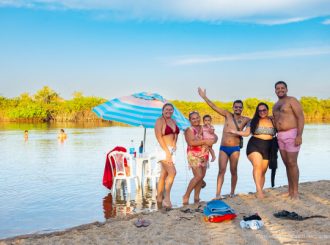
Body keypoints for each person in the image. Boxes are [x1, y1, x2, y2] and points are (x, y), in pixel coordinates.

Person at [198, 87, 250, 199]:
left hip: (235, 148)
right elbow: (214, 107)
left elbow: (249, 130)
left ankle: (232, 193)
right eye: (236, 107)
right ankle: (217, 194)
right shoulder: (227, 114)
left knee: (233, 170)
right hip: (224, 148)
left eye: (240, 107)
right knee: (221, 170)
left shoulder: (246, 119)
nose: (238, 109)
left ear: (242, 108)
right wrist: (204, 97)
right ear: (233, 107)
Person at [230, 102, 276, 198]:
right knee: (257, 166)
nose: (262, 112)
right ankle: (259, 191)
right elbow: (246, 133)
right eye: (260, 110)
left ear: (267, 110)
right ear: (257, 111)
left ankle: (259, 190)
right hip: (255, 145)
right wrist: (234, 131)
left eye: (264, 110)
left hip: (268, 147)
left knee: (263, 171)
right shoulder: (253, 121)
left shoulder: (272, 120)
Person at [272, 81, 304, 200]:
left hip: (292, 133)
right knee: (286, 164)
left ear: (286, 89)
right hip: (280, 135)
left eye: (282, 88)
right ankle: (290, 190)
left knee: (292, 163)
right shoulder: (275, 105)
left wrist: (299, 135)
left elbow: (300, 117)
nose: (280, 90)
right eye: (278, 88)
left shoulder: (292, 100)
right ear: (275, 90)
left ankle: (295, 192)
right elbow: (275, 120)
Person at [182, 111, 217, 205]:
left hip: (204, 154)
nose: (196, 120)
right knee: (198, 176)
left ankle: (196, 198)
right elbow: (191, 143)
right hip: (193, 154)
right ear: (190, 120)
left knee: (201, 177)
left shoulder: (204, 127)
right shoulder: (189, 130)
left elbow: (214, 137)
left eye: (197, 117)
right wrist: (206, 141)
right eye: (193, 118)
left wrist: (214, 139)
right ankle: (186, 195)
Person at [154, 103, 179, 208]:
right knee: (173, 172)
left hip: (171, 150)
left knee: (164, 175)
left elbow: (175, 134)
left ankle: (159, 199)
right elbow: (159, 137)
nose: (169, 111)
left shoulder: (173, 121)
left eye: (171, 109)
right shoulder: (159, 121)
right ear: (162, 110)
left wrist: (175, 143)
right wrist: (167, 153)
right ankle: (167, 199)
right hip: (162, 150)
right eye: (166, 109)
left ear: (173, 111)